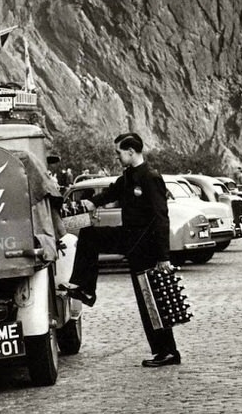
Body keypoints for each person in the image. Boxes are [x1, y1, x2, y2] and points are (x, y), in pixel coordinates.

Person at [59, 132, 182, 368]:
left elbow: (161, 218)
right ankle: (85, 289)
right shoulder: (127, 177)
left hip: (146, 248)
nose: (117, 157)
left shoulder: (150, 177)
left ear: (130, 152)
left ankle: (168, 352)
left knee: (151, 300)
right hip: (129, 239)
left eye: (118, 153)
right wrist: (92, 202)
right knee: (89, 235)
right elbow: (110, 193)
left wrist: (163, 257)